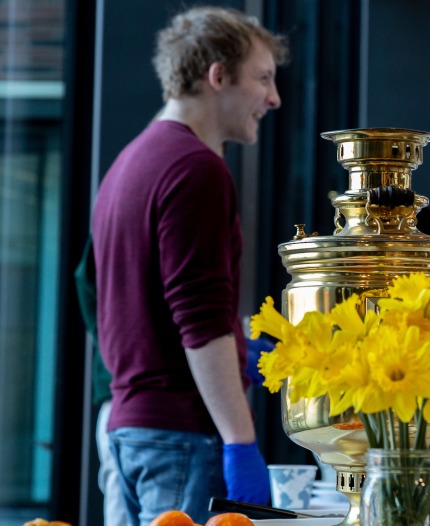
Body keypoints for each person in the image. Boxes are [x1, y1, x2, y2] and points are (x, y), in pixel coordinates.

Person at [92, 7, 284, 523]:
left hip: (128, 430)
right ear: (217, 76)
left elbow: (128, 305)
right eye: (263, 79)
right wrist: (241, 442)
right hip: (180, 435)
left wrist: (241, 348)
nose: (273, 98)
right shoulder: (197, 168)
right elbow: (198, 322)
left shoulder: (129, 162)